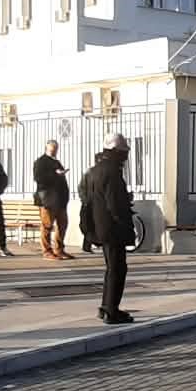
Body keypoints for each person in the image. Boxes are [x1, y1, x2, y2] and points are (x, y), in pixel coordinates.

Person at [80, 134, 136, 324]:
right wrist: (125, 224)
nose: (126, 156)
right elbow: (115, 204)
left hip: (99, 225)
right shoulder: (112, 172)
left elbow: (88, 199)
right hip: (112, 228)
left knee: (111, 268)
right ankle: (111, 310)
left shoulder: (94, 170)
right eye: (125, 152)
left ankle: (106, 307)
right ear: (117, 152)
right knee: (117, 268)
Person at [32, 139, 73, 260]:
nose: (54, 151)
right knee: (47, 225)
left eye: (56, 149)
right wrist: (55, 174)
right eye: (52, 149)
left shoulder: (56, 162)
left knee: (62, 224)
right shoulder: (40, 162)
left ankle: (59, 249)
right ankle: (47, 251)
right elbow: (39, 178)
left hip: (60, 199)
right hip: (47, 199)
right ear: (47, 148)